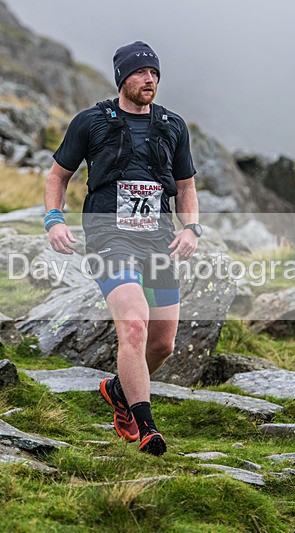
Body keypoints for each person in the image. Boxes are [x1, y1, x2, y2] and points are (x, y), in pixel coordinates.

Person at [43, 41, 201, 456]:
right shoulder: (91, 122)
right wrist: (53, 219)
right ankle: (145, 426)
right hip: (108, 237)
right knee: (134, 325)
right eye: (141, 73)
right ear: (122, 79)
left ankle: (118, 388)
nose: (150, 79)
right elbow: (57, 176)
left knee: (163, 343)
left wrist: (192, 229)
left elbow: (185, 187)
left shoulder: (173, 125)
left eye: (155, 73)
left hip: (158, 240)